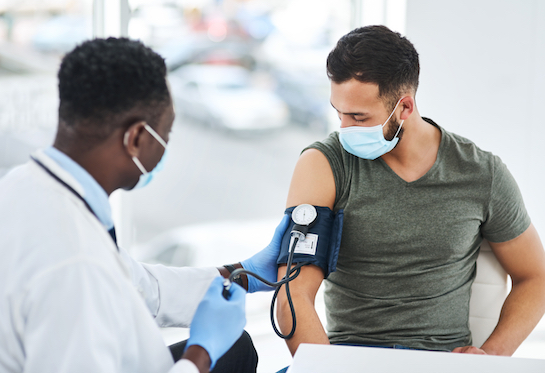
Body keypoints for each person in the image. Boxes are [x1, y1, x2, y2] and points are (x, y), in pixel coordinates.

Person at [0, 37, 288, 373]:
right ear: (136, 138)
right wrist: (201, 354)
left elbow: (136, 285)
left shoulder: (23, 185)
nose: (166, 145)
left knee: (237, 348)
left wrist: (240, 274)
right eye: (167, 133)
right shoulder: (75, 264)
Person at [277, 25, 545, 357]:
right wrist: (327, 367)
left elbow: (536, 277)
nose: (344, 129)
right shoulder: (324, 165)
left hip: (442, 360)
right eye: (339, 113)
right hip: (352, 357)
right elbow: (292, 294)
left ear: (404, 107)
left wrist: (490, 358)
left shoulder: (481, 173)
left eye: (359, 118)